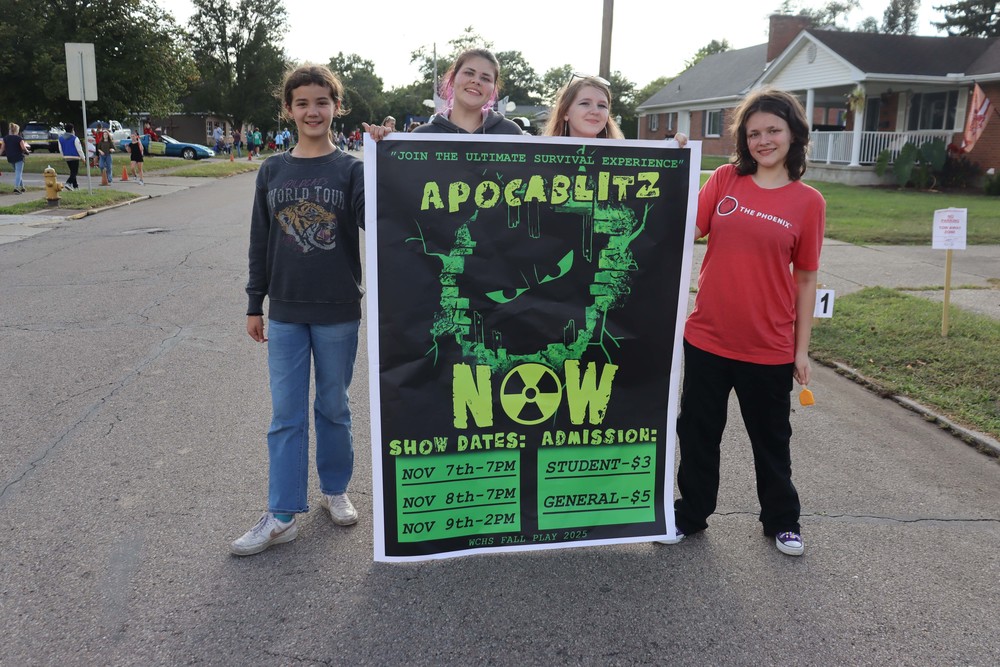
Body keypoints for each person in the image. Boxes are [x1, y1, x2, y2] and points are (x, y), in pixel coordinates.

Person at [662, 88, 825, 557]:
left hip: (767, 347)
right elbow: (683, 228)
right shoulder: (726, 180)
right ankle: (690, 515)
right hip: (708, 338)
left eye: (773, 130)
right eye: (753, 133)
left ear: (793, 133)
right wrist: (673, 169)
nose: (763, 140)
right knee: (696, 434)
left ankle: (782, 521)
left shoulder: (808, 201)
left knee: (771, 440)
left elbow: (807, 277)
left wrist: (800, 349)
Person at [232, 63, 365, 557]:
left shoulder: (352, 169)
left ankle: (334, 490)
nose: (313, 110)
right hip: (285, 312)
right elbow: (260, 240)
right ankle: (282, 513)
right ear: (288, 109)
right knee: (286, 415)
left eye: (322, 101)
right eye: (303, 102)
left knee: (334, 407)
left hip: (337, 311)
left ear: (335, 107)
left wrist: (388, 158)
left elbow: (379, 218)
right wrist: (254, 302)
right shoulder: (272, 170)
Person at [365, 48, 522, 139]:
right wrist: (385, 143)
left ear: (493, 89)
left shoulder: (511, 133)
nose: (476, 81)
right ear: (453, 79)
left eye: (485, 78)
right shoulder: (422, 136)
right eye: (469, 73)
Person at [543, 74, 624, 139]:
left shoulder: (623, 157)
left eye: (602, 105)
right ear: (565, 112)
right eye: (585, 103)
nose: (595, 111)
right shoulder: (540, 156)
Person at [1, 123, 30, 194]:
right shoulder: (19, 138)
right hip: (19, 157)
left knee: (17, 172)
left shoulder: (5, 138)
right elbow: (23, 148)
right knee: (18, 173)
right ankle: (16, 188)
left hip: (10, 157)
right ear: (17, 130)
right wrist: (27, 151)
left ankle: (22, 187)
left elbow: (2, 149)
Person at [57, 123, 84, 191]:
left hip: (66, 156)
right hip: (74, 156)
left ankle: (75, 186)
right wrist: (83, 158)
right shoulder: (75, 138)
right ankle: (68, 183)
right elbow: (79, 149)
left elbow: (60, 149)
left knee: (72, 171)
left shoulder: (60, 139)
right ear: (72, 130)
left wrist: (63, 156)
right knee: (75, 172)